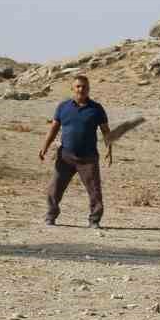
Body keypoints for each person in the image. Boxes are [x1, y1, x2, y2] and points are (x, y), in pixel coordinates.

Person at [39, 74, 113, 228]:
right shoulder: (63, 107)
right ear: (72, 88)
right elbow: (53, 129)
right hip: (65, 156)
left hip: (88, 158)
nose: (81, 89)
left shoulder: (96, 109)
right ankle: (50, 216)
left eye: (84, 86)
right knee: (55, 188)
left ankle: (94, 221)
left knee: (94, 191)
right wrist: (45, 146)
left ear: (89, 89)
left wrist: (109, 148)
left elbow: (106, 131)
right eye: (78, 86)